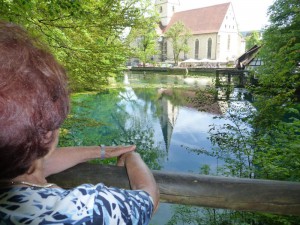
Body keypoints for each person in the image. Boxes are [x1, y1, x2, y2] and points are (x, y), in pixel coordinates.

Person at [0, 21, 159, 224]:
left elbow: (34, 162)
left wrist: (102, 151)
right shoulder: (86, 210)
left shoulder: (12, 170)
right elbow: (148, 199)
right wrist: (132, 157)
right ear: (47, 135)